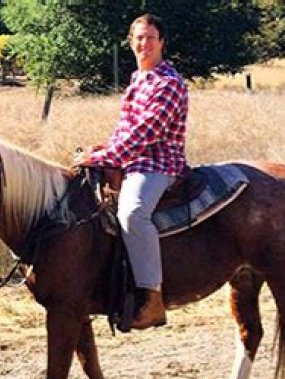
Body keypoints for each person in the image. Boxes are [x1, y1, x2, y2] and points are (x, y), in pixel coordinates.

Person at [74, 14, 189, 329]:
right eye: (139, 38)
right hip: (131, 161)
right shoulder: (139, 79)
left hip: (157, 164)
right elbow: (125, 130)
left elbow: (144, 133)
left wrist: (104, 157)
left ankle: (152, 299)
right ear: (130, 42)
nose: (144, 44)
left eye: (150, 37)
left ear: (162, 42)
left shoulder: (169, 83)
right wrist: (102, 150)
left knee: (132, 213)